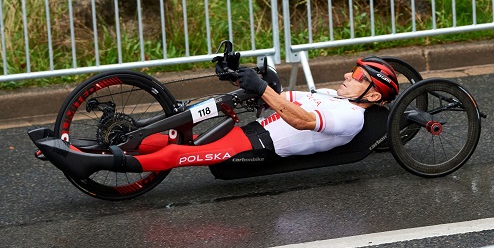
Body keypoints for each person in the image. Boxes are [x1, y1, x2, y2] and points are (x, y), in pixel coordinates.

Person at [132, 57, 399, 172]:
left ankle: (104, 163)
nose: (346, 75)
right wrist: (238, 76)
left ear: (373, 96)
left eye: (356, 77)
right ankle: (109, 149)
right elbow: (278, 98)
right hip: (249, 133)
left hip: (256, 148)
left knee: (177, 155)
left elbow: (301, 120)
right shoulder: (331, 96)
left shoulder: (353, 117)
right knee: (176, 140)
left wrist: (260, 88)